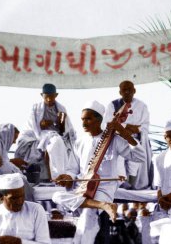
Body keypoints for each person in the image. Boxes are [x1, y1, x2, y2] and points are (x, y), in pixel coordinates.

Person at [52, 100, 146, 244]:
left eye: (88, 119)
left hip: (104, 188)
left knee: (88, 217)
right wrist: (67, 177)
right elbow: (73, 169)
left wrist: (123, 131)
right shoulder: (80, 142)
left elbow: (140, 157)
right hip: (82, 187)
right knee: (56, 196)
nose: (84, 123)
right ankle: (102, 205)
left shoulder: (114, 140)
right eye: (82, 119)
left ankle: (99, 208)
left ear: (99, 120)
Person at [15, 83, 76, 180]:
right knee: (52, 142)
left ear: (56, 95)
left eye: (51, 97)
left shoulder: (61, 109)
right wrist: (42, 125)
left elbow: (64, 131)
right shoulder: (36, 108)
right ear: (42, 95)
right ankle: (53, 176)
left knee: (57, 142)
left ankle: (58, 176)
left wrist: (62, 122)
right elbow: (34, 127)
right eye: (46, 97)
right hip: (38, 135)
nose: (48, 100)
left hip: (56, 135)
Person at [103, 80, 153, 189]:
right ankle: (121, 188)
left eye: (129, 90)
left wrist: (133, 128)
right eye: (124, 90)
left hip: (135, 141)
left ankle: (132, 188)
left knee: (134, 166)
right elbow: (107, 124)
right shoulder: (113, 105)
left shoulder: (142, 106)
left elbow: (145, 126)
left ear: (134, 91)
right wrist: (126, 128)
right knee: (119, 165)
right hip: (118, 140)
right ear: (120, 92)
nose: (127, 92)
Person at [0, 173, 51, 244]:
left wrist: (19, 242)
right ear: (1, 196)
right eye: (14, 198)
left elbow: (45, 242)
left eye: (22, 196)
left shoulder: (36, 210)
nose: (19, 202)